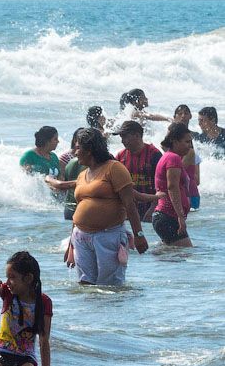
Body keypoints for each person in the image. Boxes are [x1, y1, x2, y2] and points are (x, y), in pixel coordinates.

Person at [69, 128, 149, 286]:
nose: (74, 152)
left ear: (90, 149)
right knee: (85, 284)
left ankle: (112, 312)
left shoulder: (114, 168)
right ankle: (90, 311)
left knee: (111, 286)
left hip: (108, 236)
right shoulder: (83, 174)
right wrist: (70, 245)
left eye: (77, 147)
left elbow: (129, 205)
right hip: (81, 237)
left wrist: (138, 234)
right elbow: (79, 208)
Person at [152, 123, 193, 247]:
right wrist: (180, 216)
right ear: (175, 141)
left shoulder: (169, 157)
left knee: (172, 258)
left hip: (165, 217)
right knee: (186, 254)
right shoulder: (173, 158)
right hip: (168, 216)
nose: (190, 146)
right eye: (187, 142)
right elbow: (172, 187)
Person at [115, 121, 163, 219]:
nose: (122, 141)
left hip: (150, 209)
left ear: (137, 135)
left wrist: (153, 208)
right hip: (128, 210)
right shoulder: (120, 156)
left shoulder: (154, 154)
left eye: (125, 137)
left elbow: (163, 186)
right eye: (121, 137)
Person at [45, 128, 87, 221]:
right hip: (69, 197)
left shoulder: (90, 159)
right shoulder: (66, 158)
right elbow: (62, 180)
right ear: (75, 141)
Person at [172, 105, 202, 209]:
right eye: (179, 114)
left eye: (185, 113)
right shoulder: (191, 152)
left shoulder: (191, 152)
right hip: (190, 195)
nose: (183, 116)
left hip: (188, 196)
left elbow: (197, 180)